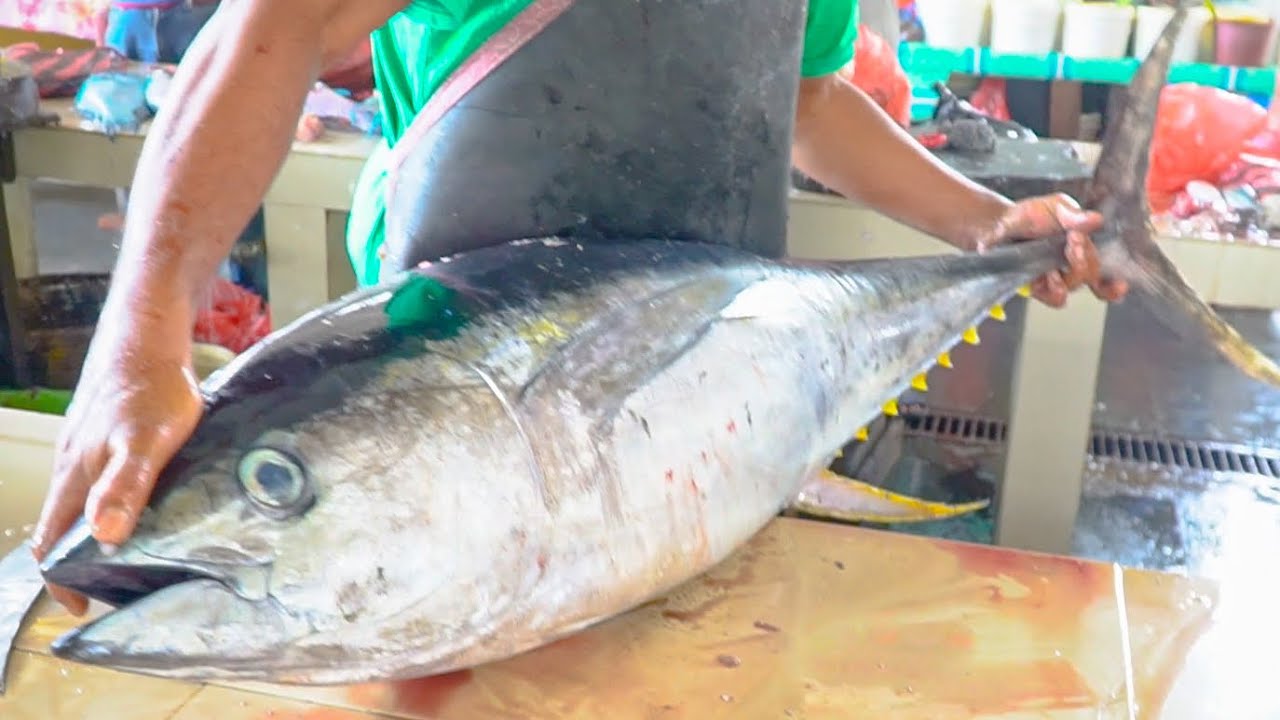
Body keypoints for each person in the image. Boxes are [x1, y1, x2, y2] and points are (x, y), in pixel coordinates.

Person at [34, 0, 1127, 615]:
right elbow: (267, 28)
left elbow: (806, 97)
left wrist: (983, 225)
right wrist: (141, 331)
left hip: (697, 373)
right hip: (456, 392)